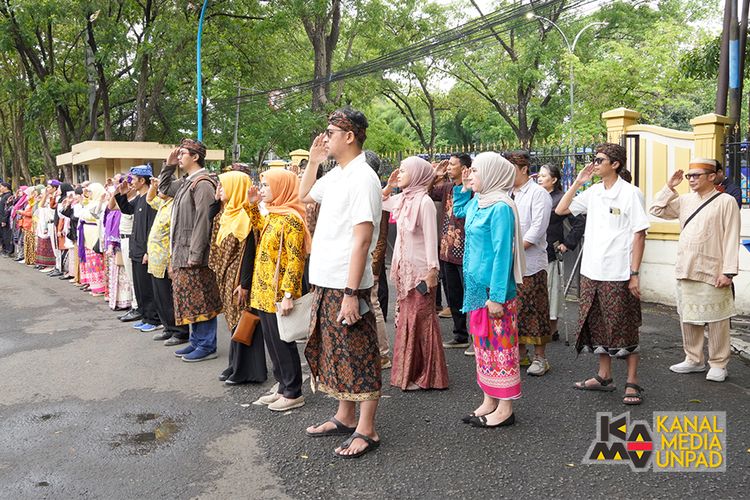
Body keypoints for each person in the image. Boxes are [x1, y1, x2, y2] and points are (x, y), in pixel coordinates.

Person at [300, 108, 382, 458]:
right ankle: (344, 416)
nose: (326, 136)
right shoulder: (337, 175)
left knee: (358, 353)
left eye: (331, 131)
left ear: (350, 136)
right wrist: (314, 160)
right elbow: (305, 194)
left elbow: (363, 239)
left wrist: (351, 292)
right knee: (337, 353)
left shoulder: (363, 177)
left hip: (347, 284)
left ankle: (368, 429)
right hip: (327, 279)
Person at [556, 143, 650, 405]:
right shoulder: (594, 192)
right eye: (594, 159)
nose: (594, 164)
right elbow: (562, 209)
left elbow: (639, 234)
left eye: (599, 160)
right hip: (591, 271)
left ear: (615, 164)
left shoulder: (631, 193)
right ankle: (604, 376)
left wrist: (634, 273)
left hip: (618, 272)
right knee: (595, 322)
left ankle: (633, 381)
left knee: (624, 325)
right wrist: (577, 182)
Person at [649, 158, 740, 382]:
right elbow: (656, 210)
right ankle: (694, 359)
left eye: (696, 175)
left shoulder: (726, 201)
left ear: (711, 176)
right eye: (689, 176)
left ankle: (718, 363)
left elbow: (731, 236)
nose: (691, 179)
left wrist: (728, 271)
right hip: (686, 266)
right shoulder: (684, 200)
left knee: (717, 318)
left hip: (714, 268)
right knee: (688, 316)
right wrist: (669, 186)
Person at [453, 152, 524, 428]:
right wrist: (463, 186)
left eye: (476, 172)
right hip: (475, 289)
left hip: (495, 293)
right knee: (483, 347)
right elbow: (459, 212)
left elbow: (501, 255)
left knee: (501, 348)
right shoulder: (478, 203)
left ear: (493, 174)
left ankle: (505, 408)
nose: (471, 175)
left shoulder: (501, 208)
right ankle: (489, 400)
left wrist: (496, 296)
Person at [382, 156, 449, 391]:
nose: (399, 173)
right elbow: (380, 201)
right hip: (404, 271)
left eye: (403, 170)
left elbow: (433, 240)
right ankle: (408, 374)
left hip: (420, 272)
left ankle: (425, 375)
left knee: (421, 321)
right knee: (407, 320)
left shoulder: (425, 202)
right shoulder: (403, 199)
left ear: (418, 174)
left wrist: (432, 271)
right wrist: (389, 185)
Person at [246, 168, 308, 410]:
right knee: (272, 340)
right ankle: (282, 385)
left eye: (267, 186)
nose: (262, 190)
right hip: (263, 290)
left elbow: (295, 259)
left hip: (279, 292)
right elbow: (259, 228)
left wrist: (288, 294)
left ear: (282, 187)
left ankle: (293, 391)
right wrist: (252, 206)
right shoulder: (274, 214)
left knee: (283, 341)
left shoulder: (292, 219)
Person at [159, 139, 222, 362]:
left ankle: (206, 345)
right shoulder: (188, 182)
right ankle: (196, 341)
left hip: (194, 254)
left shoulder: (203, 183)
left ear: (195, 157)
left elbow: (203, 222)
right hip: (182, 252)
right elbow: (164, 189)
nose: (179, 156)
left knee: (201, 299)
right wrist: (168, 165)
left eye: (183, 153)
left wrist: (195, 254)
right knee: (190, 300)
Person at [211, 170, 268, 385]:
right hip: (228, 277)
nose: (220, 190)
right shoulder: (228, 214)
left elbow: (249, 252)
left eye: (223, 186)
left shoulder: (245, 216)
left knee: (244, 321)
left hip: (239, 279)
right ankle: (235, 365)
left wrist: (244, 284)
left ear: (235, 188)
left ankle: (247, 371)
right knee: (234, 322)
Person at [506, 151, 552, 376]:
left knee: (534, 308)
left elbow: (537, 228)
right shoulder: (507, 193)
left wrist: (515, 249)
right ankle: (520, 353)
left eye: (511, 168)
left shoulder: (538, 193)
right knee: (514, 309)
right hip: (509, 262)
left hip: (531, 262)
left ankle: (540, 357)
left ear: (524, 169)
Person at [536, 164, 585, 341]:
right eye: (539, 175)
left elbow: (579, 223)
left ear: (554, 179)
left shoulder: (560, 198)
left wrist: (567, 244)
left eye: (544, 176)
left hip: (551, 251)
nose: (539, 178)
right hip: (534, 252)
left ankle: (552, 328)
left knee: (552, 291)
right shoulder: (537, 196)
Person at [430, 153, 472, 353]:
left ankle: (476, 338)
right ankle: (460, 335)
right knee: (453, 295)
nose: (448, 168)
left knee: (471, 296)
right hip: (447, 250)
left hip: (466, 251)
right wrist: (434, 175)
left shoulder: (472, 189)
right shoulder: (447, 188)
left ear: (464, 168)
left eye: (452, 165)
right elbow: (427, 192)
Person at [115, 166, 160, 333]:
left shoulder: (150, 199)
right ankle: (144, 315)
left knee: (147, 287)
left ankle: (153, 319)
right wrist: (122, 194)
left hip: (144, 250)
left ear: (142, 180)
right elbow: (127, 210)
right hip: (136, 247)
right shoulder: (139, 198)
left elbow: (152, 228)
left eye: (133, 179)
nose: (131, 182)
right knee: (139, 286)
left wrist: (148, 251)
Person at [146, 176, 189, 345]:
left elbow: (175, 237)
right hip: (156, 260)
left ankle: (180, 332)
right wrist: (153, 186)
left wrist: (172, 262)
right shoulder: (163, 204)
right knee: (160, 298)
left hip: (166, 260)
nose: (159, 191)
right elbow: (150, 199)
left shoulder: (176, 207)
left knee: (169, 299)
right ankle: (168, 327)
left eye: (163, 188)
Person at [365, 149, 392, 369]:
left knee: (373, 304)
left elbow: (381, 238)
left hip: (370, 261)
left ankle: (382, 353)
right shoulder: (368, 190)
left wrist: (374, 266)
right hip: (363, 260)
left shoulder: (375, 194)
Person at [0, 182, 14, 256]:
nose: (0, 188)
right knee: (2, 235)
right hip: (1, 217)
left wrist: (4, 220)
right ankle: (4, 249)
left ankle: (8, 250)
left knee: (7, 235)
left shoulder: (9, 196)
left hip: (6, 219)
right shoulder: (3, 195)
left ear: (6, 187)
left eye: (1, 187)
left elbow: (8, 209)